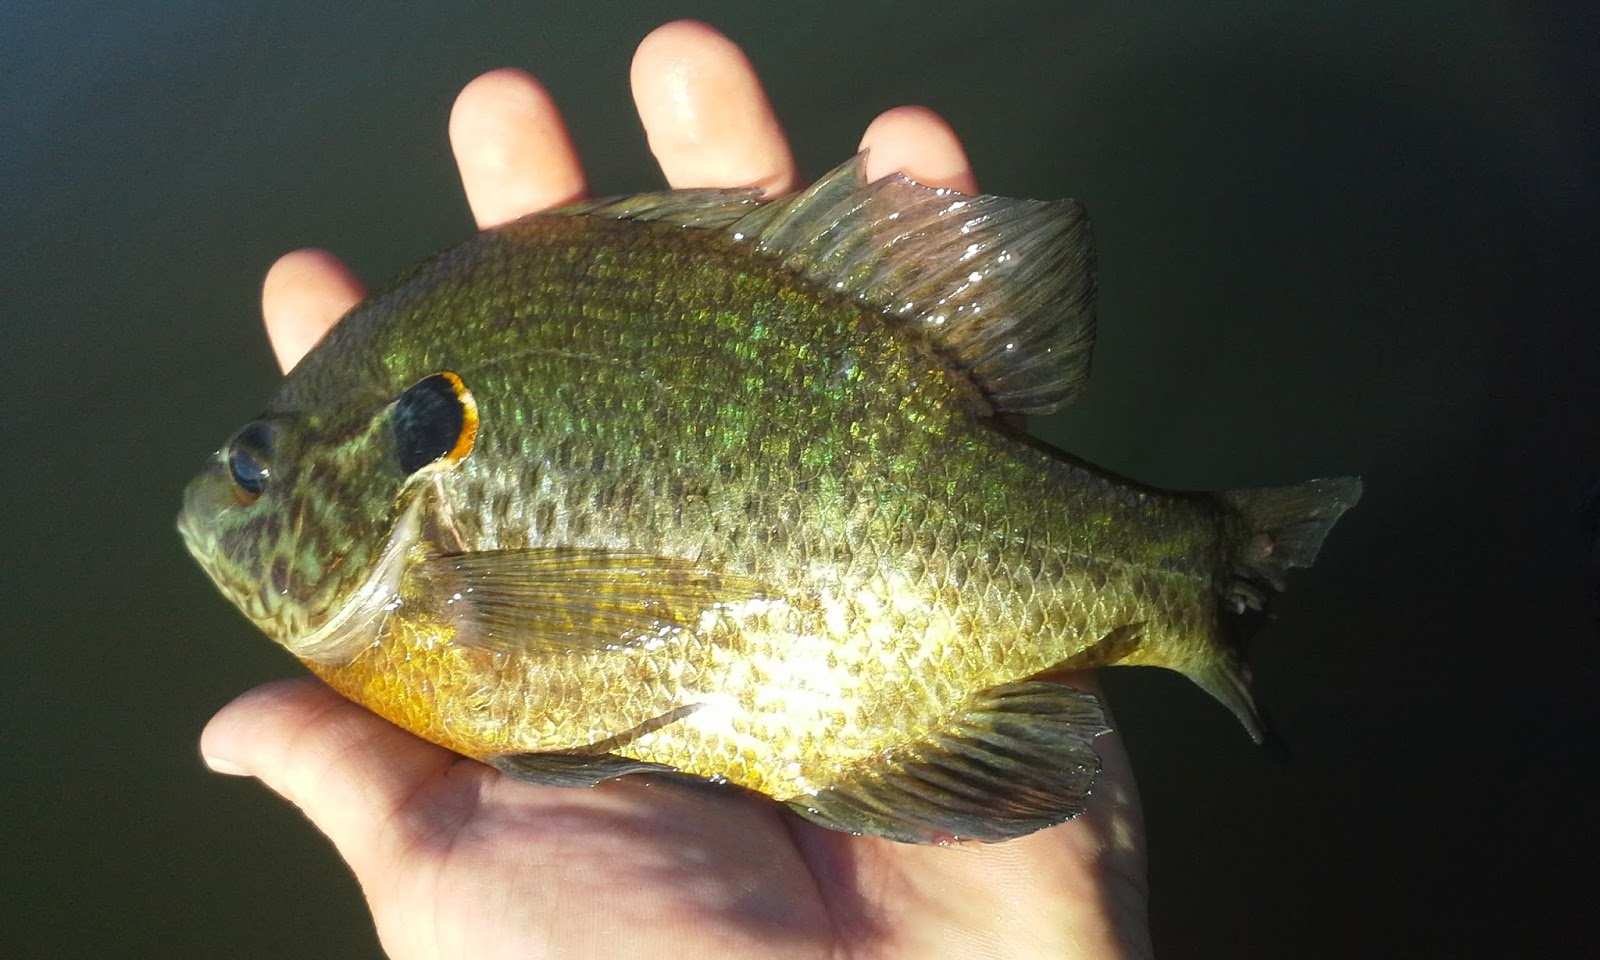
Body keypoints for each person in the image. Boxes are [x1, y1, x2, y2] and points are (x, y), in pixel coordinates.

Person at [198, 20, 1154, 960]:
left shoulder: (426, 593)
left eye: (254, 470)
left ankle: (1184, 587)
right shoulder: (419, 581)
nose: (229, 500)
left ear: (383, 457)